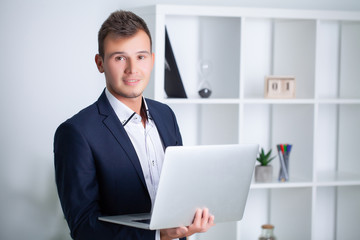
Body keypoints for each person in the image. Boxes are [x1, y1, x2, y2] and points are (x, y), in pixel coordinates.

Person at [54, 10, 215, 240]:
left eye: (140, 57)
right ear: (100, 63)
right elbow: (83, 228)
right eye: (119, 57)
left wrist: (193, 216)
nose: (132, 69)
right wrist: (159, 235)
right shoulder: (76, 133)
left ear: (152, 59)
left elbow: (180, 191)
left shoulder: (166, 115)